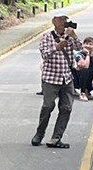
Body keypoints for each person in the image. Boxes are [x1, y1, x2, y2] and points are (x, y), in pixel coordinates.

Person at [32, 11, 83, 148]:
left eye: (65, 20)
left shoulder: (70, 37)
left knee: (66, 108)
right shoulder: (47, 37)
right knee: (48, 106)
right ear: (54, 21)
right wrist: (56, 47)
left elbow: (80, 50)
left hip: (66, 78)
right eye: (60, 20)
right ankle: (39, 133)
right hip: (50, 78)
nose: (63, 23)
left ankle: (56, 137)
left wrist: (74, 36)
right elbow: (45, 54)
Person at [73, 37, 93, 101]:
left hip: (90, 76)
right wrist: (87, 55)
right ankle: (82, 93)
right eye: (86, 43)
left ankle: (87, 90)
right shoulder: (78, 54)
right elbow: (85, 66)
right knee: (85, 71)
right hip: (78, 76)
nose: (88, 46)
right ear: (83, 45)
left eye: (90, 44)